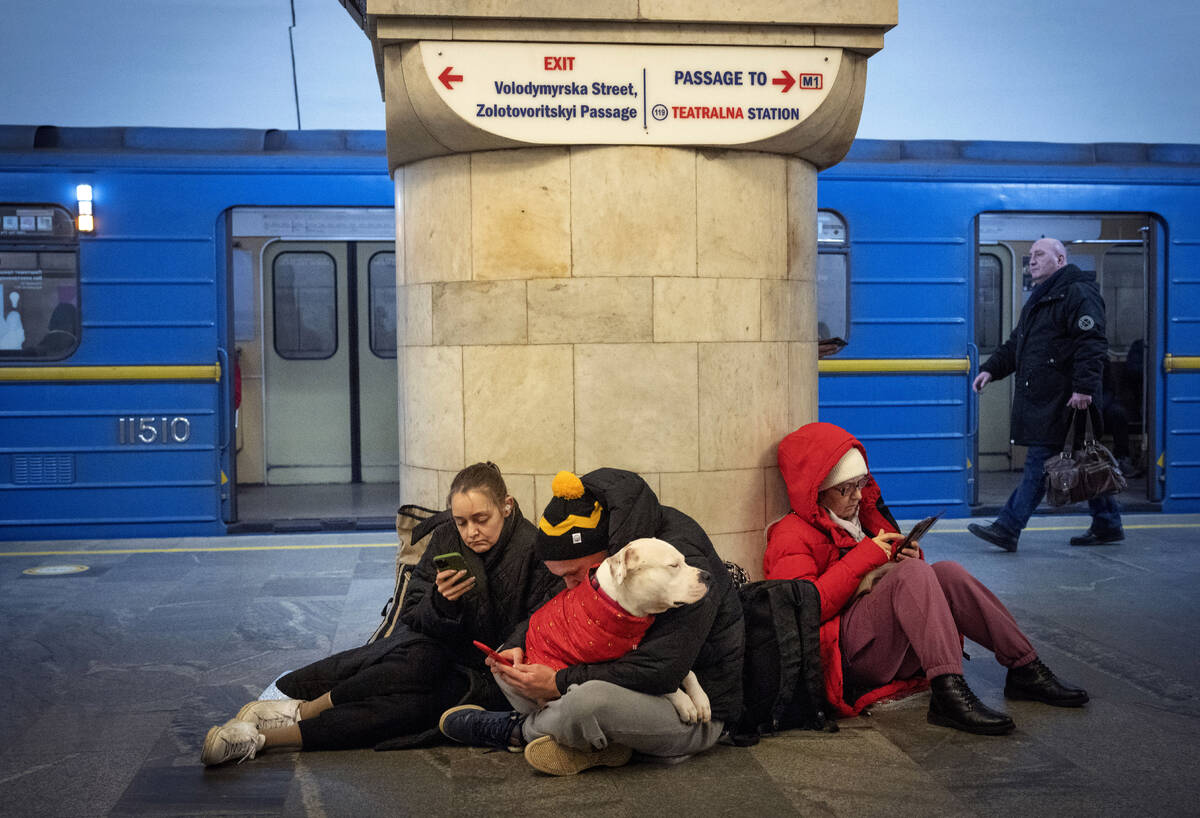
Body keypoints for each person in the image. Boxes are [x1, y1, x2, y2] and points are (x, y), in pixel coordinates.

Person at [201, 462, 562, 766]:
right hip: (435, 652)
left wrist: (507, 650)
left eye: (481, 519)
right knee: (420, 659)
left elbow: (540, 622)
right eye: (462, 521)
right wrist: (442, 602)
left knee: (410, 710)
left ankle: (266, 738)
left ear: (508, 506)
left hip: (490, 675)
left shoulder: (534, 550)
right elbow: (412, 611)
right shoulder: (447, 538)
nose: (471, 532)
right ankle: (299, 715)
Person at [764, 422, 1088, 735]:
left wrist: (901, 557)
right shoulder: (791, 535)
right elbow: (800, 610)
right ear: (816, 491)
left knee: (946, 572)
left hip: (883, 642)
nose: (857, 497)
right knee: (914, 572)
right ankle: (947, 689)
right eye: (844, 489)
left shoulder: (863, 519)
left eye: (861, 484)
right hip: (845, 658)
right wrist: (872, 559)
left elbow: (894, 583)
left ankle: (1024, 667)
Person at [438, 468, 744, 775]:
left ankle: (519, 731)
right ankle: (592, 744)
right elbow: (555, 606)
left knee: (588, 703)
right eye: (561, 576)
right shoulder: (594, 555)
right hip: (621, 681)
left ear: (609, 559)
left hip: (694, 711)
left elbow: (661, 670)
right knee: (510, 660)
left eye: (573, 574)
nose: (570, 585)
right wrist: (517, 645)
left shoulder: (679, 567)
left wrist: (558, 682)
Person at [969, 237, 1123, 550]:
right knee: (1082, 459)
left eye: (1040, 255)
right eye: (1030, 256)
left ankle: (1008, 528)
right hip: (1051, 398)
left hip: (1064, 398)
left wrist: (1083, 387)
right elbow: (1017, 344)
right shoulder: (1043, 297)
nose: (1032, 261)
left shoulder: (1077, 293)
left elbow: (1091, 342)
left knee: (1040, 465)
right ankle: (1107, 523)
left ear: (1060, 259)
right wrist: (991, 369)